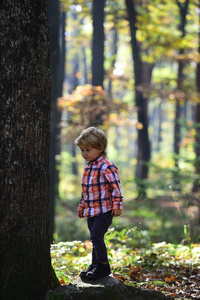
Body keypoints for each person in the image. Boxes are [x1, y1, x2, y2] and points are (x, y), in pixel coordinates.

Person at [74, 126, 123, 279]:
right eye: (82, 150)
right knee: (94, 238)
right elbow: (87, 191)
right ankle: (95, 264)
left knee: (96, 236)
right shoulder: (89, 167)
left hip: (104, 210)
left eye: (88, 150)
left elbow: (116, 187)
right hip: (91, 210)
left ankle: (103, 266)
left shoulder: (106, 166)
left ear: (100, 148)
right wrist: (82, 206)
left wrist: (117, 205)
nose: (84, 154)